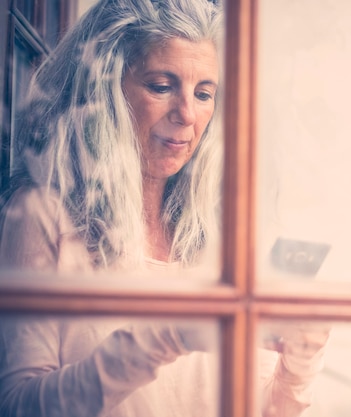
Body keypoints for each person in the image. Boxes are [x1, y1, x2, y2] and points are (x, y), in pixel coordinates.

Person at [0, 0, 329, 416]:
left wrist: (297, 367)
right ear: (105, 91)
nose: (188, 114)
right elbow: (16, 406)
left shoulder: (224, 233)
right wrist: (163, 335)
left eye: (204, 93)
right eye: (161, 86)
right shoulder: (42, 216)